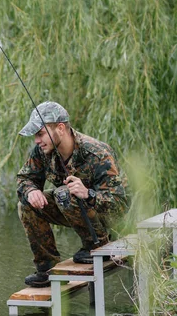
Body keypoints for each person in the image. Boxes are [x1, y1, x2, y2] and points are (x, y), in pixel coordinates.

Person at [16, 101, 130, 287]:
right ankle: (46, 268)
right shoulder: (42, 151)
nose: (37, 140)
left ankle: (97, 246)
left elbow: (119, 205)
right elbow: (24, 178)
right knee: (26, 204)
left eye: (40, 133)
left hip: (108, 216)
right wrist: (31, 191)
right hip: (72, 208)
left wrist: (88, 194)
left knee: (64, 194)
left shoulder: (96, 153)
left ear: (60, 128)